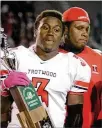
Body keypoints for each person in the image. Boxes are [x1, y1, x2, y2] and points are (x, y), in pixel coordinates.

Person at [0, 10, 91, 128]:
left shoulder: (75, 65)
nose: (51, 33)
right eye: (45, 28)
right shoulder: (14, 57)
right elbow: (2, 112)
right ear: (35, 31)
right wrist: (3, 88)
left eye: (57, 30)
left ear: (63, 35)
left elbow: (75, 115)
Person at [61, 7, 102, 128]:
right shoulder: (51, 57)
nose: (84, 33)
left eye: (87, 29)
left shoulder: (99, 58)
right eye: (79, 28)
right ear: (65, 30)